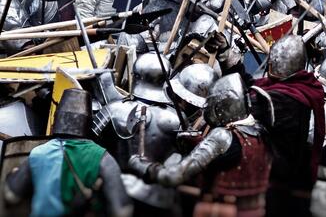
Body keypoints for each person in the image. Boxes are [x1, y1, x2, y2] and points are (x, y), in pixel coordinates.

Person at [129, 74, 271, 217]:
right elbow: (230, 160)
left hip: (219, 211)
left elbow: (172, 177)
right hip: (255, 211)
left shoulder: (222, 136)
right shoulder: (260, 131)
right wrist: (200, 143)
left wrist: (144, 166)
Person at [4, 88, 133, 217]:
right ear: (88, 121)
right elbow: (121, 211)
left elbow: (11, 195)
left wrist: (14, 175)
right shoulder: (103, 158)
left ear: (58, 117)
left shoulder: (38, 153)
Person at [252, 34, 326, 216]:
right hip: (287, 175)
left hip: (279, 180)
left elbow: (247, 106)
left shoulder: (285, 99)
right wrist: (228, 59)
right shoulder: (306, 87)